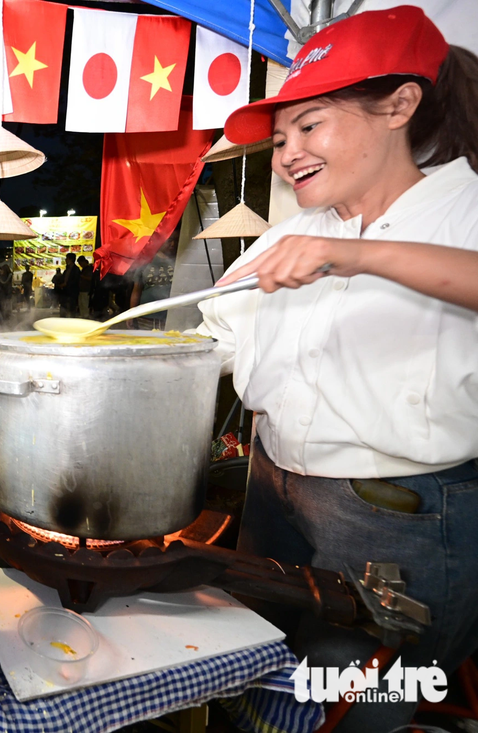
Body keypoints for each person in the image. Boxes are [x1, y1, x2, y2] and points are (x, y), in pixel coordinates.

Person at [197, 9, 478, 731]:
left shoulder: (463, 206)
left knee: (369, 706)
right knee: (266, 678)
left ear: (399, 105)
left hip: (395, 520)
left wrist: (355, 256)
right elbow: (212, 337)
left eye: (310, 125)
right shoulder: (289, 233)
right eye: (281, 137)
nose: (288, 153)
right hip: (273, 493)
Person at [129, 235, 177, 330]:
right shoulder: (146, 261)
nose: (173, 244)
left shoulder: (180, 260)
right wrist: (131, 314)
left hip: (170, 317)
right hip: (146, 316)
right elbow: (137, 290)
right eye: (170, 240)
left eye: (176, 240)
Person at [59, 253, 80, 317]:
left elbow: (75, 281)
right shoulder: (67, 269)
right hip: (65, 291)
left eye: (67, 258)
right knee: (64, 308)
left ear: (70, 259)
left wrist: (66, 284)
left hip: (72, 292)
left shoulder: (76, 269)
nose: (65, 260)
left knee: (71, 308)